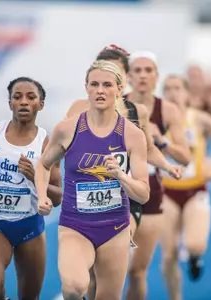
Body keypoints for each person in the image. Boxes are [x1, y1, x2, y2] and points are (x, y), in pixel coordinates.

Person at [65, 45, 184, 300]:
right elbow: (61, 147)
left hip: (127, 198)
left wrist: (167, 166)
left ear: (122, 78)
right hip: (87, 198)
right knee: (93, 277)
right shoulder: (78, 108)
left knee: (130, 269)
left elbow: (149, 149)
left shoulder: (135, 111)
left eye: (115, 73)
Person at [35, 60, 150, 300]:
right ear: (86, 88)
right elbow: (43, 164)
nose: (100, 90)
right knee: (75, 287)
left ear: (119, 89)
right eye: (94, 84)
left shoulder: (132, 135)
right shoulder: (67, 129)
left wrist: (121, 176)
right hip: (75, 226)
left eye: (107, 85)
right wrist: (42, 195)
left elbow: (143, 194)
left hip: (115, 228)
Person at [0, 77, 62, 300]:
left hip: (30, 227)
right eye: (17, 97)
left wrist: (35, 177)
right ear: (10, 103)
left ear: (41, 104)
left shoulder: (47, 145)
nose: (23, 102)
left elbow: (58, 197)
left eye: (31, 97)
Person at [159, 75, 211, 299]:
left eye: (177, 88)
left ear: (186, 93)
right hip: (167, 191)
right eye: (168, 89)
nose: (173, 93)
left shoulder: (198, 118)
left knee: (194, 244)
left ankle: (194, 256)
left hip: (195, 190)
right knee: (168, 256)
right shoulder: (155, 121)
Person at [124, 51, 191, 300]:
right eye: (137, 70)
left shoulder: (168, 110)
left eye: (148, 70)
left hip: (150, 191)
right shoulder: (115, 104)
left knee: (137, 272)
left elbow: (185, 157)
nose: (142, 75)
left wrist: (162, 142)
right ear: (129, 76)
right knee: (102, 267)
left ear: (156, 77)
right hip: (116, 188)